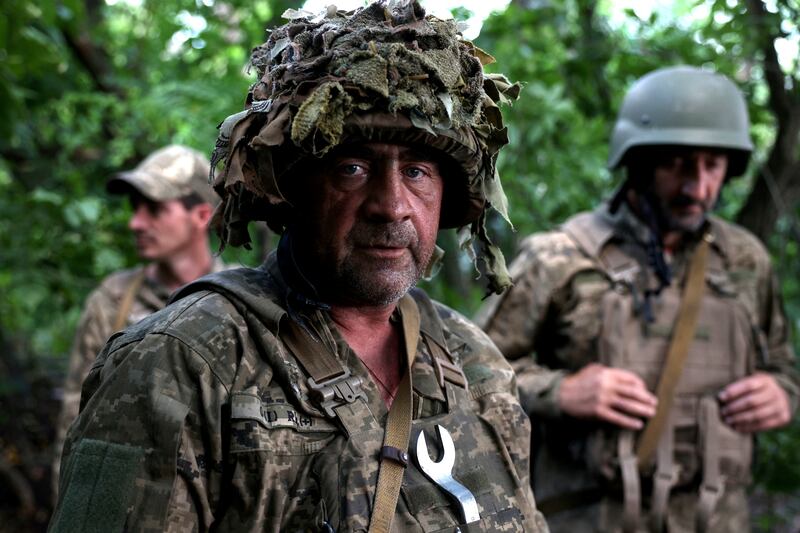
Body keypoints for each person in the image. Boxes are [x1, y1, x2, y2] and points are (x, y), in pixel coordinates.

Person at [50, 3, 548, 532]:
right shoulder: (185, 361)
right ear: (295, 188)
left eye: (418, 172)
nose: (392, 204)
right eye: (353, 168)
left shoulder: (474, 360)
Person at [476, 66, 798, 532]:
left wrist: (782, 394)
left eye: (713, 165)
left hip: (717, 518)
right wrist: (561, 392)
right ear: (638, 161)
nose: (698, 187)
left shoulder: (744, 260)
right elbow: (472, 374)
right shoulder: (561, 258)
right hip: (590, 516)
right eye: (677, 164)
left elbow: (783, 367)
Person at [52, 144, 226, 494]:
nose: (135, 222)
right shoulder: (112, 301)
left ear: (202, 215)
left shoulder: (240, 304)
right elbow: (76, 421)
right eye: (135, 208)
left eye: (155, 209)